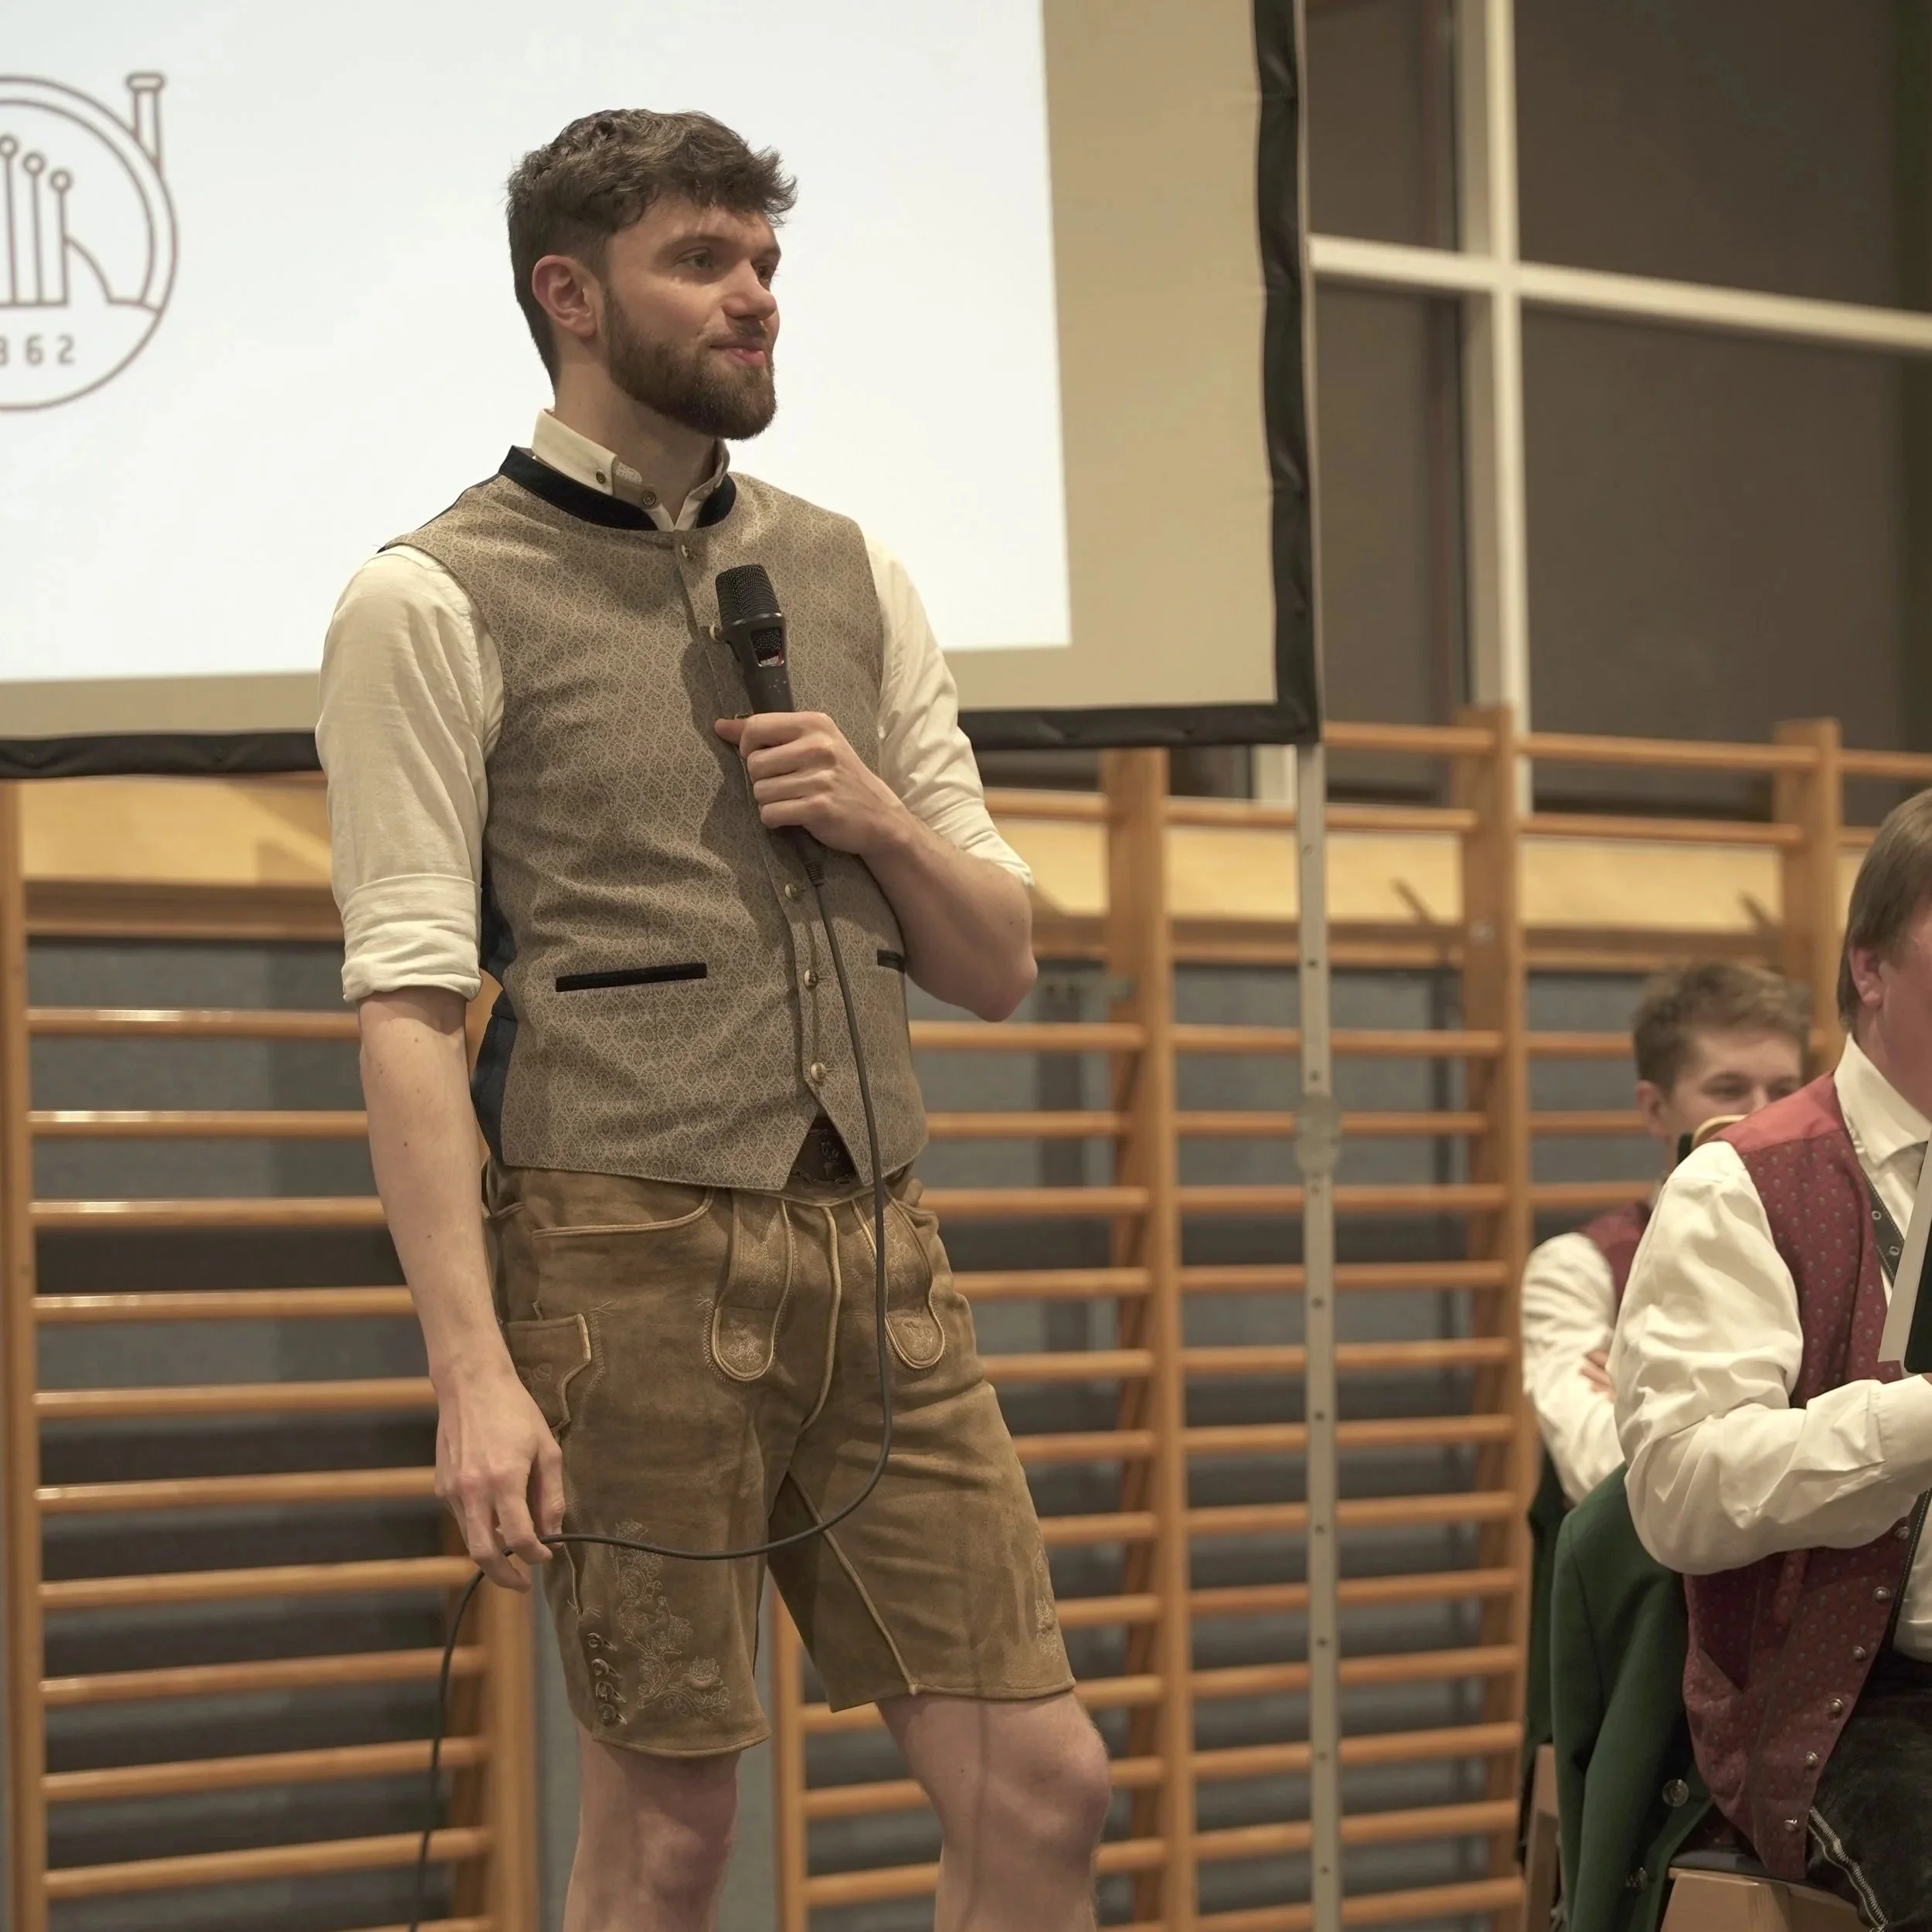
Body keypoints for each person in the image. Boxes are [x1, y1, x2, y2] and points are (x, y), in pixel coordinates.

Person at [316, 110, 1111, 1932]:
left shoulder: (850, 574)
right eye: (704, 261)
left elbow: (998, 963)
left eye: (765, 262)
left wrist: (879, 817)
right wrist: (470, 1371)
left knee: (1044, 1787)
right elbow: (413, 1013)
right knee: (671, 1834)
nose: (754, 297)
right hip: (621, 1262)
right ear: (570, 294)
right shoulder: (427, 596)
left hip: (879, 1255)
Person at [1614, 789, 1932, 1926]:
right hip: (1864, 1703)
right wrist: (1921, 1418)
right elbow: (1679, 1491)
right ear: (1870, 970)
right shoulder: (1739, 1185)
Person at [1522, 963, 1808, 1510]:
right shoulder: (1577, 1268)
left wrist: (1647, 1400)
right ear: (1655, 1108)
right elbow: (1604, 1468)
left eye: (1785, 1090)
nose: (1764, 1116)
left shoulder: (1842, 1240)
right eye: (1728, 1090)